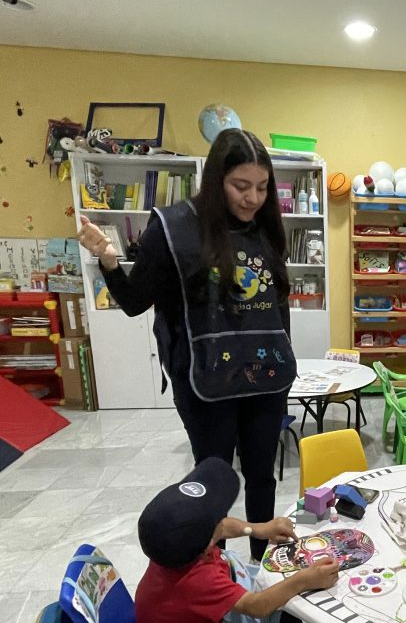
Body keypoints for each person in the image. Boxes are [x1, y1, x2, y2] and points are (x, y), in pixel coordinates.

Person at [78, 129, 294, 560]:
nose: (253, 198)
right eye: (241, 186)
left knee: (262, 477)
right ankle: (209, 573)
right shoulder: (173, 227)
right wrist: (107, 260)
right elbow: (136, 302)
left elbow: (276, 302)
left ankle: (261, 563)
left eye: (262, 187)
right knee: (211, 486)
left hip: (266, 378)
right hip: (204, 382)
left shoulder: (265, 228)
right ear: (216, 180)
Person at [135, 457, 344, 623]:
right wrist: (304, 579)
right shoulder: (198, 579)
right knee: (288, 617)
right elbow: (258, 607)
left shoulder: (171, 546)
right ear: (203, 547)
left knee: (274, 590)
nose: (220, 523)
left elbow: (223, 527)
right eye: (214, 525)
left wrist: (260, 529)